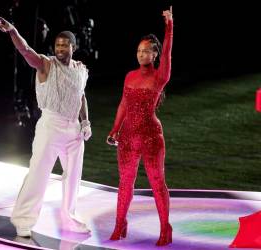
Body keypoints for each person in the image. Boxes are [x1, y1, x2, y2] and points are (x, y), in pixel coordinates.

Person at [0, 14, 92, 237]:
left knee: (73, 176)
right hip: (51, 126)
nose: (60, 48)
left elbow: (81, 96)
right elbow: (26, 51)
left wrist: (85, 122)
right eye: (57, 45)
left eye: (65, 45)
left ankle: (70, 218)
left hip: (74, 130)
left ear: (73, 47)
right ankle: (24, 220)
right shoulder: (46, 64)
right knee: (38, 174)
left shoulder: (80, 69)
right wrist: (13, 31)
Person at [106, 6, 173, 246]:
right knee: (125, 183)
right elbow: (124, 103)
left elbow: (167, 55)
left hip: (151, 136)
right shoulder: (129, 76)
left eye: (146, 51)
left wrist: (169, 26)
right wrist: (115, 129)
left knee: (157, 183)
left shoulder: (160, 76)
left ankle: (165, 228)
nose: (141, 54)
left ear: (154, 54)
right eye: (138, 51)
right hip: (127, 137)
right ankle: (119, 224)